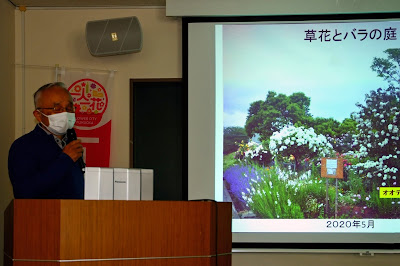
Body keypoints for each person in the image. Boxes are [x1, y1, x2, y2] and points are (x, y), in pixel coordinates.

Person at [8, 82, 84, 199]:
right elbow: (24, 191)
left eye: (69, 108)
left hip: (75, 214)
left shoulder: (71, 143)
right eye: (57, 108)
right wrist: (65, 160)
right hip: (42, 215)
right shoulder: (23, 146)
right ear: (38, 115)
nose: (65, 113)